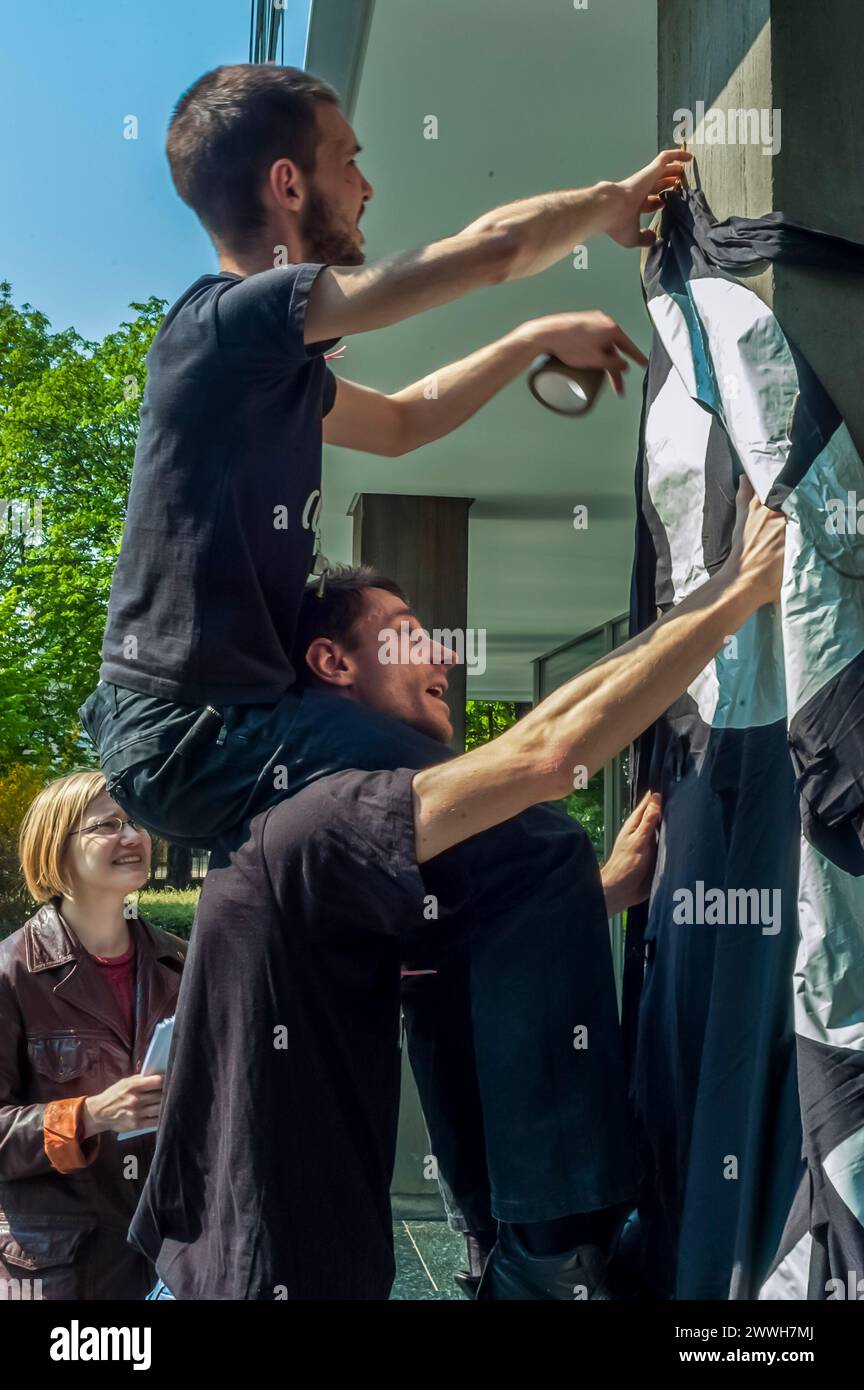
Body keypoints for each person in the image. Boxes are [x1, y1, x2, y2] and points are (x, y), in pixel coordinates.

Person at [127, 481, 785, 1300]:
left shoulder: (306, 820)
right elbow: (545, 754)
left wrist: (603, 892)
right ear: (331, 663)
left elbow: (453, 922)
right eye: (409, 639)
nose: (444, 657)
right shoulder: (322, 813)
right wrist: (738, 590)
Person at [78, 61, 691, 858]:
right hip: (194, 733)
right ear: (289, 185)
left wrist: (527, 341)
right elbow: (493, 250)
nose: (367, 189)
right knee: (520, 814)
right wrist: (606, 204)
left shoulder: (259, 370)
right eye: (350, 161)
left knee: (465, 833)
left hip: (211, 727)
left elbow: (405, 421)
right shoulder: (227, 322)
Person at [0, 772, 186, 1300]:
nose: (133, 836)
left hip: (169, 1253)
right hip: (64, 1268)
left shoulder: (179, 961)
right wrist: (88, 1116)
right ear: (56, 849)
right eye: (108, 824)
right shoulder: (12, 974)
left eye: (135, 821)